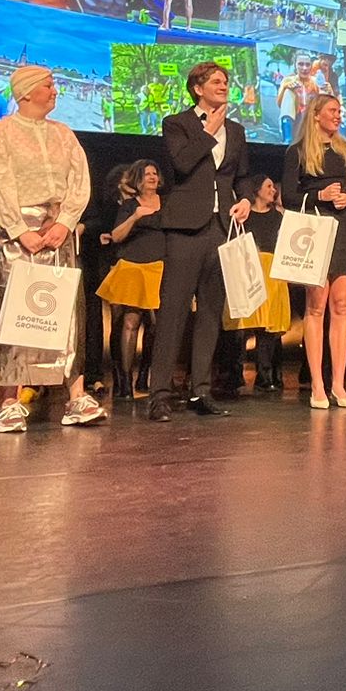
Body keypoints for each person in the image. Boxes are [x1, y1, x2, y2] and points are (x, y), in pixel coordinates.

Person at [0, 66, 102, 431]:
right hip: (16, 230)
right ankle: (10, 401)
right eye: (48, 85)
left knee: (64, 312)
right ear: (27, 92)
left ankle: (76, 396)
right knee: (14, 312)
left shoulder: (63, 134)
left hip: (57, 227)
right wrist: (18, 229)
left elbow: (79, 180)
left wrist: (65, 222)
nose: (55, 90)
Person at [147, 60, 256, 422]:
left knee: (211, 312)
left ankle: (200, 391)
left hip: (221, 227)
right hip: (185, 227)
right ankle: (159, 393)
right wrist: (210, 130)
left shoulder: (237, 132)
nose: (224, 85)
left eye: (226, 81)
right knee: (173, 311)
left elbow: (240, 176)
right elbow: (180, 164)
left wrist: (244, 200)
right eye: (217, 81)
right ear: (198, 88)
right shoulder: (177, 124)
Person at [283, 95, 346, 408]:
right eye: (332, 111)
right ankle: (317, 385)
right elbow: (288, 196)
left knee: (342, 304)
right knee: (316, 305)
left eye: (339, 111)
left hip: (345, 228)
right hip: (315, 229)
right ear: (316, 115)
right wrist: (318, 193)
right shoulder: (297, 152)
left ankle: (338, 383)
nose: (338, 115)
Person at [95, 159, 165, 404]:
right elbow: (116, 235)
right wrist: (135, 216)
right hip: (133, 266)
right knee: (130, 322)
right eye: (147, 174)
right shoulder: (129, 205)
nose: (152, 177)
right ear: (138, 179)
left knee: (157, 325)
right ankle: (124, 381)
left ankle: (145, 373)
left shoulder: (167, 203)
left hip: (159, 268)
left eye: (155, 173)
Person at [222, 174, 289, 393]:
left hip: (272, 274)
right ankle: (234, 374)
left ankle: (265, 375)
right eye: (268, 186)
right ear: (256, 190)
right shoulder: (245, 216)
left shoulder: (278, 217)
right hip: (247, 272)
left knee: (267, 329)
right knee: (241, 328)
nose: (273, 190)